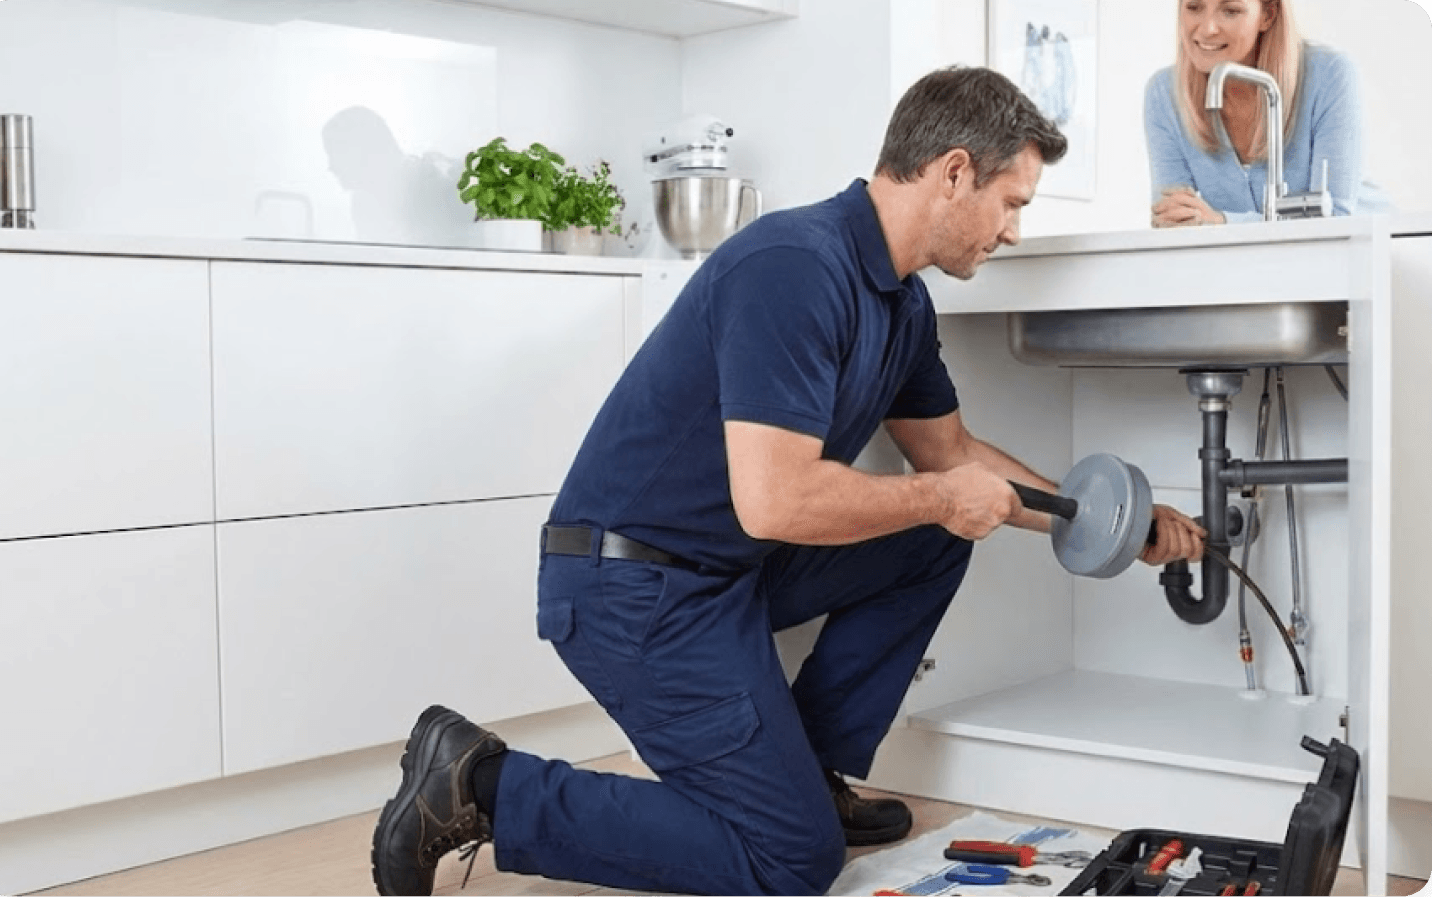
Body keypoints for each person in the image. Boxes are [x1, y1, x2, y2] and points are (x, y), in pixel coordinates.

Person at [370, 66, 1207, 897]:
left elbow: (951, 458)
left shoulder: (902, 303)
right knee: (789, 861)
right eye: (1013, 203)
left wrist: (1101, 521)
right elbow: (776, 499)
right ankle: (479, 784)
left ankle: (809, 777)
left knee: (932, 535)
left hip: (723, 571)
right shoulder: (795, 267)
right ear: (955, 172)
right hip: (628, 584)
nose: (1014, 231)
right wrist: (943, 498)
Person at [1146, 0, 1393, 227]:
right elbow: (1172, 218)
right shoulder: (1164, 94)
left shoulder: (1330, 75)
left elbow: (1335, 219)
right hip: (1262, 265)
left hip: (1377, 252)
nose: (1208, 28)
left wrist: (1223, 223)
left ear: (1267, 14)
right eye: (1194, 7)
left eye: (1230, 10)